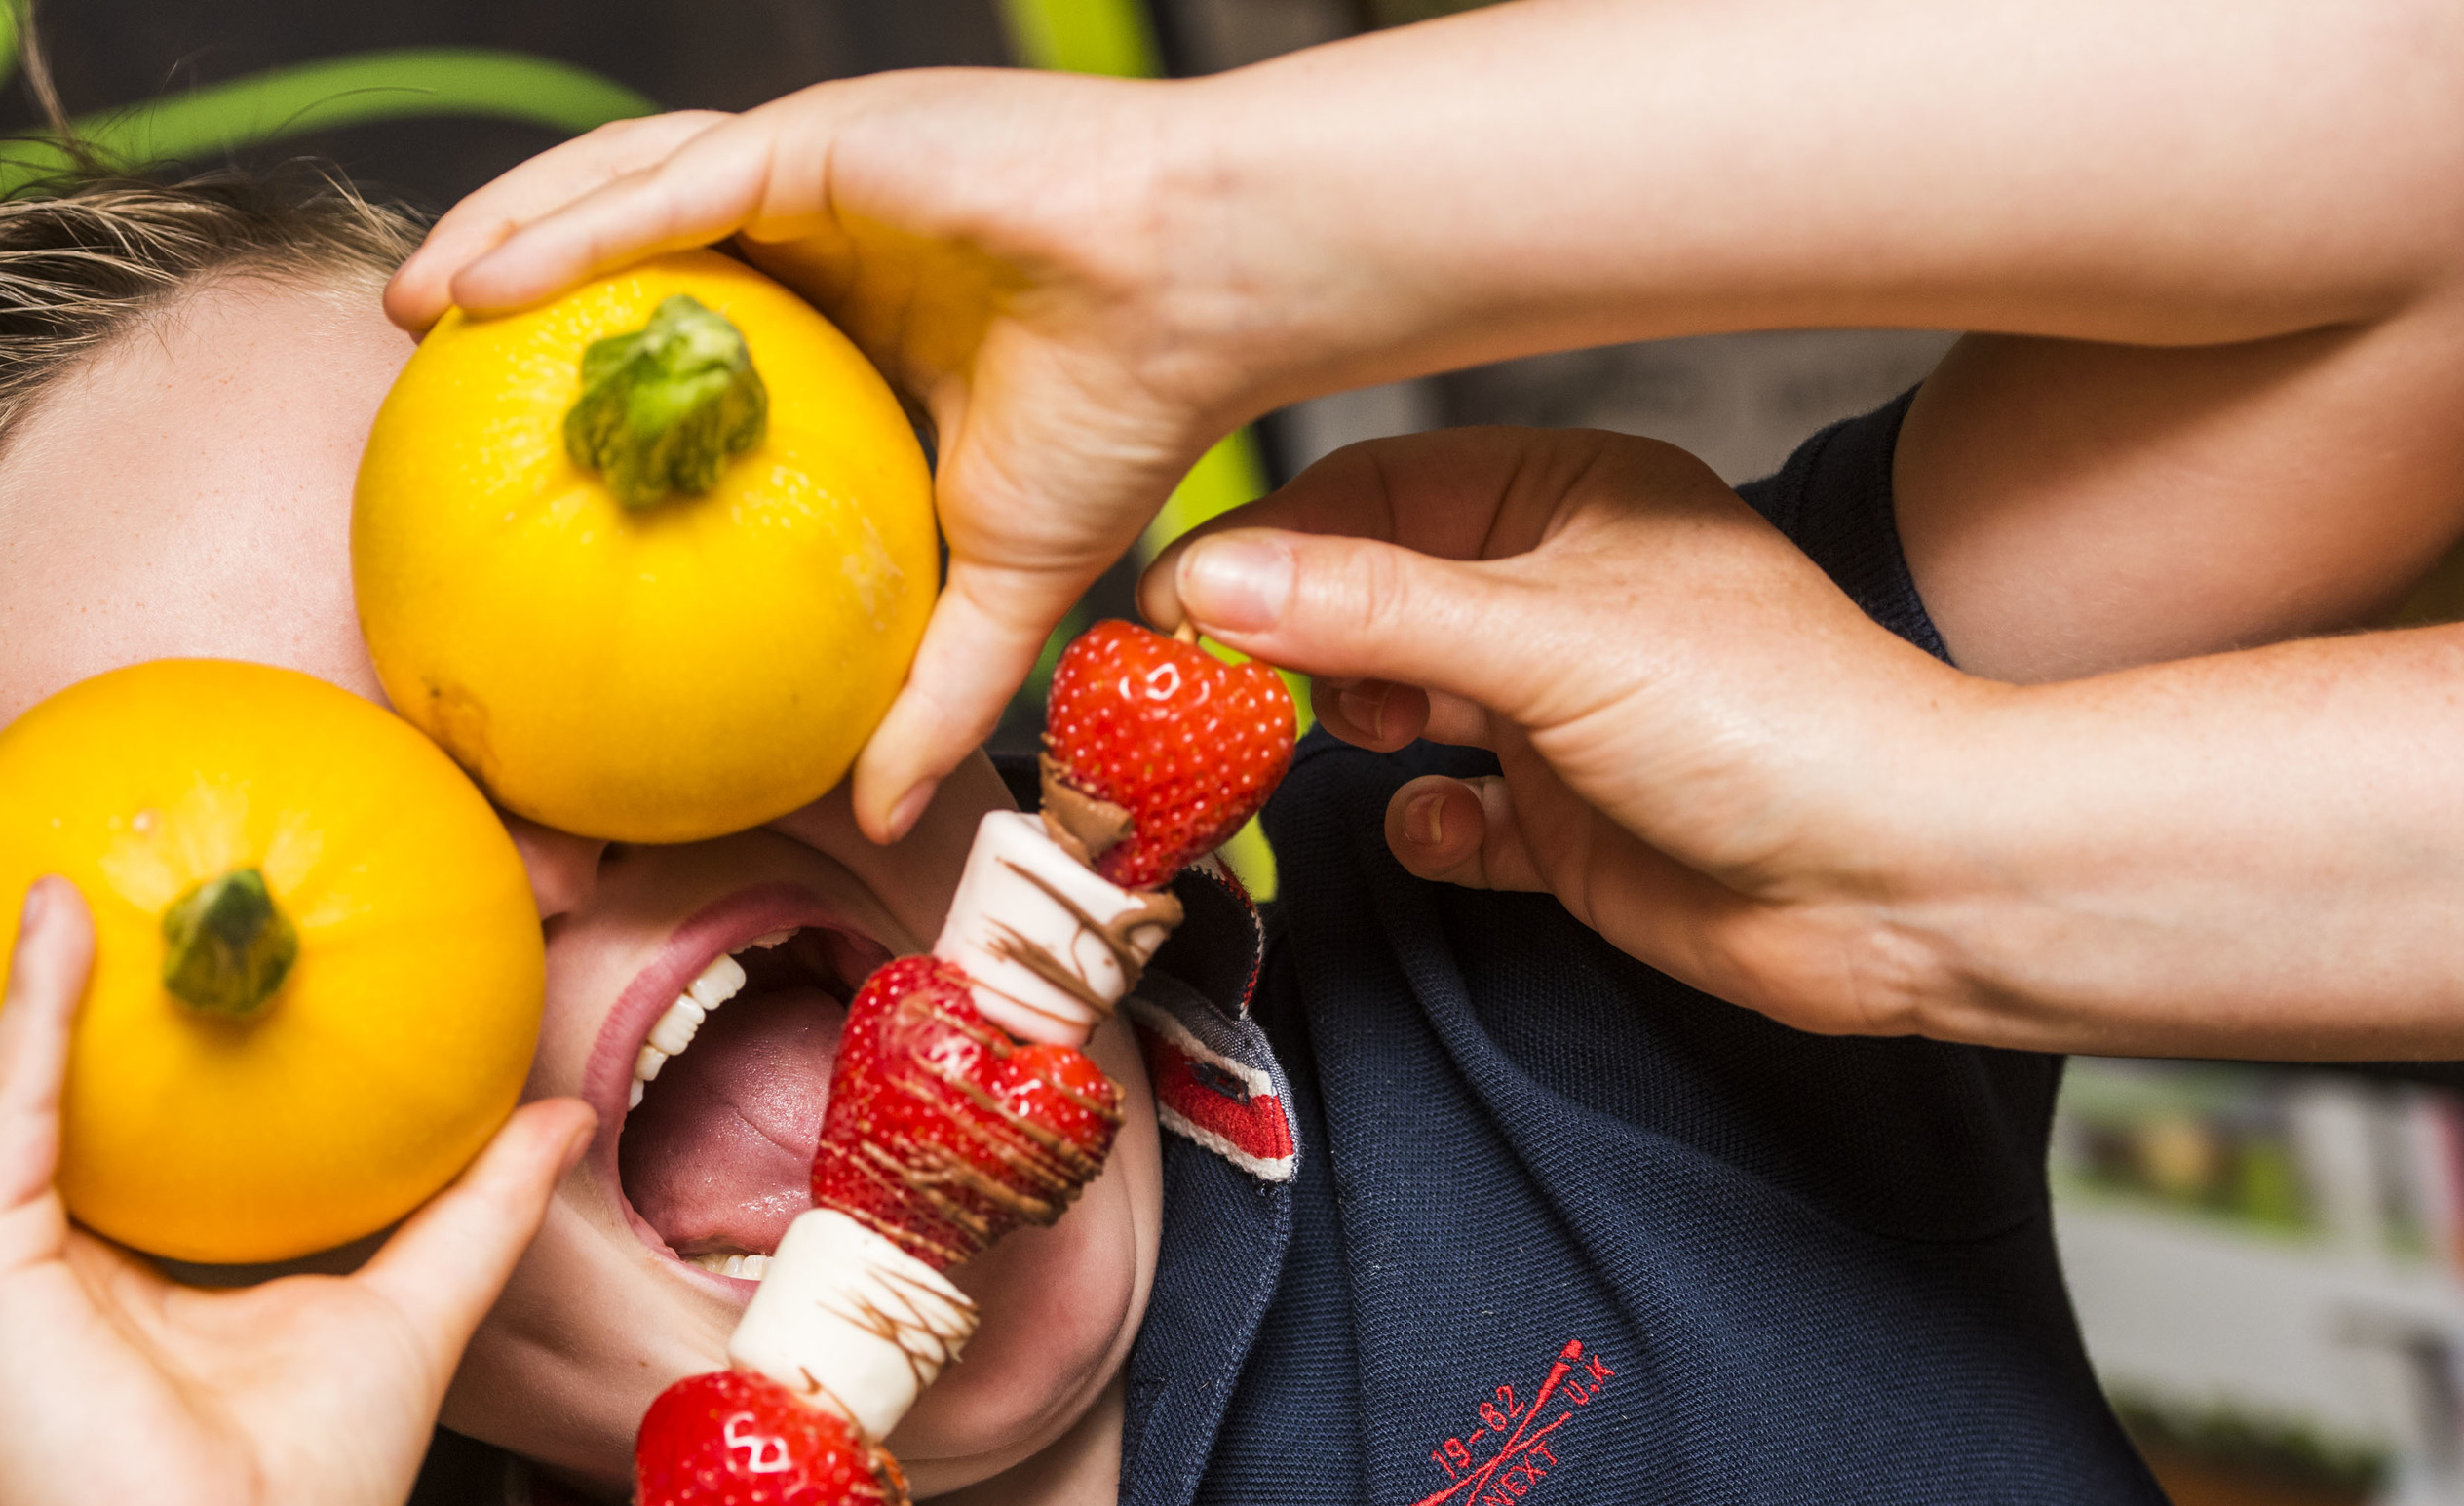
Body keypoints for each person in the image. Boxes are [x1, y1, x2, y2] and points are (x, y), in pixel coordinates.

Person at [0, 155, 2399, 1506]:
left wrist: (1240, 209)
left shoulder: (1527, 855)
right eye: (233, 855)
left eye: (523, 601)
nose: (518, 842)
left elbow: (2392, 201)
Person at [395, 0, 2464, 1062]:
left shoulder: (1571, 917)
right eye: (381, 763)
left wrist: (1214, 233)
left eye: (602, 682)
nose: (556, 849)